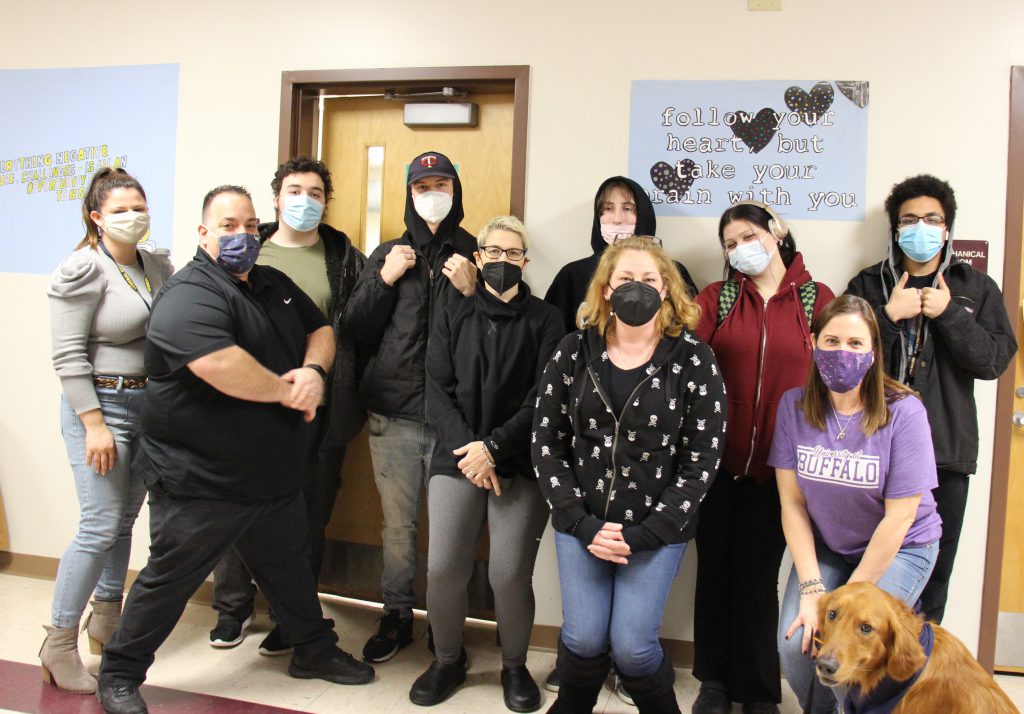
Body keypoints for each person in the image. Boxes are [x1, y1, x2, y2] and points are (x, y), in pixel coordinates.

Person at [96, 186, 373, 714]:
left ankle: (312, 650)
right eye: (227, 226)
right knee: (169, 580)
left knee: (289, 568)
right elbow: (219, 365)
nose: (242, 235)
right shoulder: (189, 295)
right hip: (201, 478)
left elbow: (321, 328)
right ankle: (120, 675)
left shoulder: (272, 282)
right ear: (203, 233)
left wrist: (314, 370)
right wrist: (291, 390)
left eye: (249, 226)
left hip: (271, 472)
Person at [533, 236, 726, 714]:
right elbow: (546, 441)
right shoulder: (573, 350)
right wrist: (581, 522)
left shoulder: (694, 360)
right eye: (625, 279)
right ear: (605, 290)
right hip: (582, 522)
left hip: (657, 529)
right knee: (582, 637)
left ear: (666, 291)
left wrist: (645, 534)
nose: (636, 288)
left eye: (648, 280)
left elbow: (703, 458)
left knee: (633, 648)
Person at [208, 156, 366, 655]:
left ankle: (290, 613)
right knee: (239, 508)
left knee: (307, 511)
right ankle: (232, 609)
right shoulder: (246, 249)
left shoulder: (342, 254)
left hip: (316, 404)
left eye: (316, 192)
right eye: (295, 190)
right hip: (247, 403)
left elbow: (350, 325)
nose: (305, 201)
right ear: (276, 198)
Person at [845, 174, 1016, 624]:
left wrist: (949, 315)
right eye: (909, 220)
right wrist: (885, 317)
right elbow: (838, 360)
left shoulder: (976, 288)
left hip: (945, 454)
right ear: (895, 229)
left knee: (932, 577)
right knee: (863, 566)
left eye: (931, 219)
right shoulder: (866, 285)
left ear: (947, 229)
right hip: (868, 449)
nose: (920, 227)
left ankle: (918, 681)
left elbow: (993, 362)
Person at [410, 216, 563, 711]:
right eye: (492, 253)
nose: (501, 261)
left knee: (508, 574)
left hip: (518, 461)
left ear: (525, 261)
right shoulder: (453, 311)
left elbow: (544, 400)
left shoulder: (547, 320)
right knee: (443, 569)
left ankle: (514, 667)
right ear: (478, 259)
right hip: (456, 457)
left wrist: (493, 449)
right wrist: (472, 453)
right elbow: (438, 391)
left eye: (512, 253)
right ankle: (447, 660)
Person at [690, 201, 834, 714]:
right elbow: (687, 363)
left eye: (748, 236)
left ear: (777, 233)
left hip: (782, 472)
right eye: (729, 244)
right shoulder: (718, 298)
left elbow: (837, 373)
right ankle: (712, 682)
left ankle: (757, 693)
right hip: (716, 465)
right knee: (712, 574)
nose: (740, 249)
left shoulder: (817, 299)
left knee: (755, 581)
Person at [770, 294, 942, 713]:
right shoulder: (794, 407)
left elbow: (900, 517)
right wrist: (813, 590)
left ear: (873, 352)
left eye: (854, 344)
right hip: (832, 544)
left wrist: (844, 601)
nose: (841, 353)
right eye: (831, 341)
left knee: (859, 653)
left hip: (903, 546)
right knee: (797, 642)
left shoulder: (905, 412)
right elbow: (792, 504)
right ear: (813, 344)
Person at [343, 150, 477, 663]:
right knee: (398, 527)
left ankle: (446, 626)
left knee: (451, 533)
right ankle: (396, 614)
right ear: (410, 194)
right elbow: (354, 328)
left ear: (455, 189)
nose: (432, 193)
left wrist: (473, 291)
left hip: (454, 421)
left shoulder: (475, 253)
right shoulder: (389, 253)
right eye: (422, 186)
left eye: (441, 182)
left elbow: (493, 337)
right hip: (392, 415)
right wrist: (383, 280)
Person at [42, 168, 173, 694]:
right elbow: (68, 354)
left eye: (139, 205)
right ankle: (57, 642)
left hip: (149, 406)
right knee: (99, 524)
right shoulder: (83, 268)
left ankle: (106, 619)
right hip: (101, 405)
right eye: (119, 208)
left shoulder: (156, 265)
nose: (132, 215)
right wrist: (93, 422)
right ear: (96, 217)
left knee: (123, 522)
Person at [544, 176, 697, 334]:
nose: (617, 219)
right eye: (608, 209)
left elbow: (689, 330)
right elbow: (554, 340)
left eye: (628, 209)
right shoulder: (571, 275)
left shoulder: (673, 271)